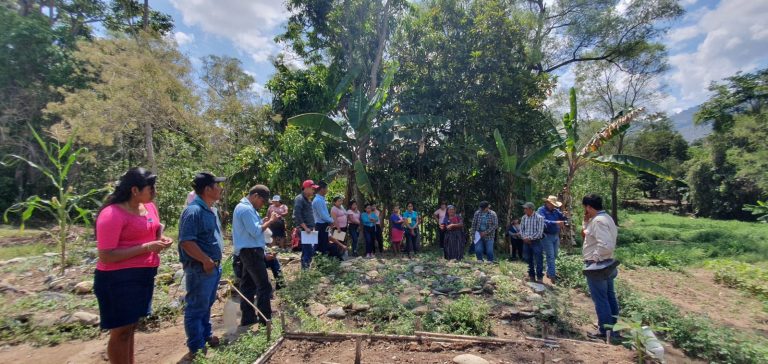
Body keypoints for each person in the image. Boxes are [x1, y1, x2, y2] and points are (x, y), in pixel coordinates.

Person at [94, 168, 172, 364]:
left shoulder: (150, 208)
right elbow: (106, 256)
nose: (154, 192)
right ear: (135, 190)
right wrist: (146, 247)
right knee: (120, 331)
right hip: (117, 279)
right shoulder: (112, 214)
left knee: (130, 328)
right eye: (150, 188)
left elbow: (150, 233)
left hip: (143, 276)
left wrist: (160, 240)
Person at [178, 172, 226, 359]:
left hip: (212, 267)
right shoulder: (193, 211)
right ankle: (196, 346)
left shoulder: (208, 209)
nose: (220, 189)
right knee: (196, 307)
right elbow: (186, 242)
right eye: (217, 185)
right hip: (201, 268)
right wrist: (205, 260)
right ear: (207, 189)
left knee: (206, 304)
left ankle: (205, 335)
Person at [232, 185, 280, 327]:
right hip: (251, 252)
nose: (263, 204)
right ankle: (266, 319)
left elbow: (252, 229)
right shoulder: (246, 209)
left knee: (248, 285)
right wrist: (270, 221)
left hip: (248, 251)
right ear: (255, 196)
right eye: (262, 201)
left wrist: (263, 222)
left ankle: (248, 318)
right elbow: (255, 231)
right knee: (264, 286)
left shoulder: (247, 208)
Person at [581, 194, 620, 340]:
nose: (586, 210)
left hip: (598, 265)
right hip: (607, 263)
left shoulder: (598, 221)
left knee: (601, 299)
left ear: (589, 207)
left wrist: (595, 260)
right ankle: (613, 328)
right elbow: (590, 236)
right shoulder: (606, 218)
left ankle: (604, 331)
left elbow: (605, 245)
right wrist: (585, 223)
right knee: (610, 296)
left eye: (586, 208)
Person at [538, 195, 567, 283]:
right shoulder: (541, 210)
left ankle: (548, 271)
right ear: (547, 203)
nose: (553, 206)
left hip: (555, 236)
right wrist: (556, 222)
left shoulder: (556, 211)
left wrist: (564, 217)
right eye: (552, 204)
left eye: (554, 205)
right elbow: (543, 221)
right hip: (546, 236)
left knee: (554, 255)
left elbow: (564, 219)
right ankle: (552, 276)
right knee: (550, 256)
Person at [312, 181, 342, 259]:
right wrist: (332, 221)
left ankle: (324, 259)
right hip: (320, 224)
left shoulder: (321, 199)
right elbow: (322, 215)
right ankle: (319, 259)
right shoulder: (317, 200)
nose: (327, 190)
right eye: (326, 188)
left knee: (324, 242)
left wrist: (330, 222)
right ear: (322, 189)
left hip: (324, 224)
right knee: (321, 243)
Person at [294, 180, 318, 269]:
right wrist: (305, 227)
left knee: (306, 250)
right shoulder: (299, 199)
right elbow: (297, 215)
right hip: (304, 229)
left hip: (310, 229)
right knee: (308, 251)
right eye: (312, 189)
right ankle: (305, 271)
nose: (313, 191)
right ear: (307, 188)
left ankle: (304, 270)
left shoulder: (308, 199)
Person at [520, 202, 545, 282]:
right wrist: (524, 237)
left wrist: (529, 238)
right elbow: (521, 229)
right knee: (528, 259)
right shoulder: (524, 218)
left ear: (531, 209)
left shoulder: (539, 218)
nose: (524, 210)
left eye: (526, 208)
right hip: (526, 242)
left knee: (538, 259)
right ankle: (531, 276)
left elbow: (539, 232)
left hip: (536, 242)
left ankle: (540, 277)